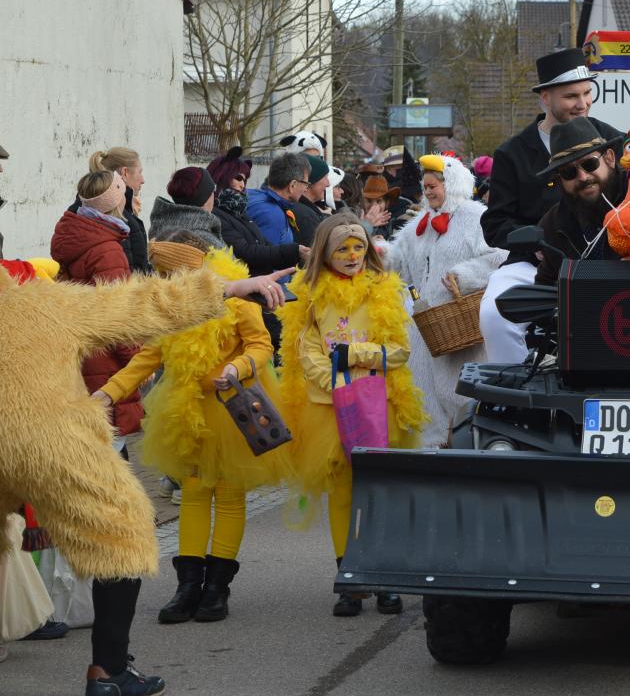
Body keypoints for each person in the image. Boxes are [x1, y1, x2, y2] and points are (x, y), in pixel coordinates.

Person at [2, 135, 291, 695]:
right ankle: (108, 670)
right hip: (45, 434)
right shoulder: (37, 302)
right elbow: (140, 309)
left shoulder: (42, 290)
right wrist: (236, 286)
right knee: (122, 534)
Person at [94, 232, 293, 626]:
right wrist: (107, 394)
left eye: (176, 275)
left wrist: (236, 367)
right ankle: (187, 587)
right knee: (194, 493)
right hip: (187, 411)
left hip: (231, 410)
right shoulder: (175, 307)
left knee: (229, 494)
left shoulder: (236, 296)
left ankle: (216, 587)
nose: (172, 284)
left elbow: (261, 345)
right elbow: (147, 359)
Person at [276, 214, 426, 617]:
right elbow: (305, 346)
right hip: (328, 405)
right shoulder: (311, 293)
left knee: (376, 489)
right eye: (342, 248)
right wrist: (331, 378)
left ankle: (384, 576)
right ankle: (351, 578)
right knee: (342, 491)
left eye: (358, 247)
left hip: (376, 404)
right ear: (325, 252)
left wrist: (355, 355)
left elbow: (399, 351)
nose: (352, 255)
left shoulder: (382, 291)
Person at [480, 48, 623, 363]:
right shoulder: (512, 154)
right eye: (571, 96)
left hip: (609, 261)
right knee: (494, 314)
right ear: (545, 97)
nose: (583, 103)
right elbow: (494, 224)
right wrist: (536, 244)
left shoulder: (613, 140)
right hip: (535, 264)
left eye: (587, 93)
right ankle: (515, 387)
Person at [389, 155, 506, 446]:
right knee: (423, 388)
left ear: (451, 184)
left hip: (460, 322)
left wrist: (465, 275)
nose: (427, 192)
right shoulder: (419, 223)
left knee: (460, 388)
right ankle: (430, 448)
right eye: (425, 186)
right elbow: (399, 262)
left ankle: (468, 441)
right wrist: (379, 254)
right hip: (423, 326)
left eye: (433, 186)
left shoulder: (476, 217)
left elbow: (499, 256)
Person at [534, 117, 630, 284]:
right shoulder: (554, 224)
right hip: (592, 301)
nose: (583, 177)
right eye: (568, 172)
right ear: (560, 179)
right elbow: (546, 285)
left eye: (590, 164)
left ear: (609, 158)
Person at [50, 170, 144, 443]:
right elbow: (116, 317)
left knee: (94, 440)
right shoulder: (106, 250)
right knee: (110, 444)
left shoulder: (78, 235)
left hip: (84, 355)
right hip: (107, 362)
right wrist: (137, 362)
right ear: (117, 200)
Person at [74, 149, 151, 274]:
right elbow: (133, 273)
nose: (143, 180)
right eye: (140, 172)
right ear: (125, 172)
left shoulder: (81, 207)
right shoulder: (117, 215)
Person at [246, 152, 310, 246]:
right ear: (292, 185)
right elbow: (267, 253)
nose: (306, 189)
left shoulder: (251, 195)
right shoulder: (273, 216)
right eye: (306, 184)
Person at [149, 166, 223, 248]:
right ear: (205, 198)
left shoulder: (161, 227)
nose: (214, 195)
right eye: (213, 189)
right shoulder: (204, 240)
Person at [289, 154, 331, 246]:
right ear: (309, 182)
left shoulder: (302, 208)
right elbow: (316, 250)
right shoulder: (306, 216)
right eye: (325, 178)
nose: (328, 184)